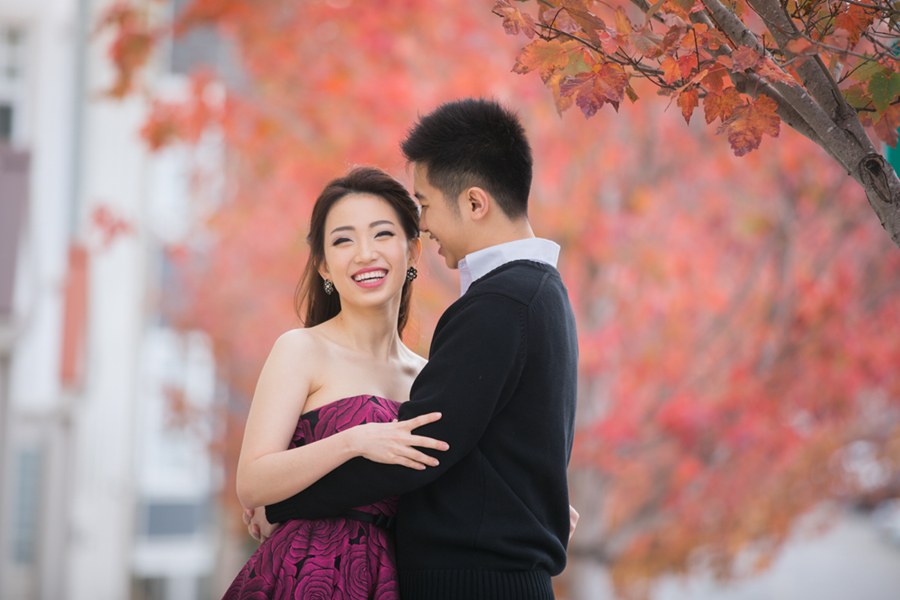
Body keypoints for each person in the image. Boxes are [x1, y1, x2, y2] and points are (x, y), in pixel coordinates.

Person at [254, 98, 579, 600]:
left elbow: (421, 451)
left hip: (472, 584)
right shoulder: (537, 296)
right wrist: (541, 501)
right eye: (342, 240)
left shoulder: (499, 303)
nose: (423, 222)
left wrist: (280, 506)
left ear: (474, 204)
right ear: (322, 263)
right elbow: (483, 449)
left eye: (422, 207)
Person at [222, 167, 451, 599]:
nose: (364, 254)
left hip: (396, 577)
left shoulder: (430, 378)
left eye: (382, 234)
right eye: (344, 240)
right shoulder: (301, 350)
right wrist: (355, 441)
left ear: (413, 251)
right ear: (325, 265)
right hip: (303, 574)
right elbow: (251, 482)